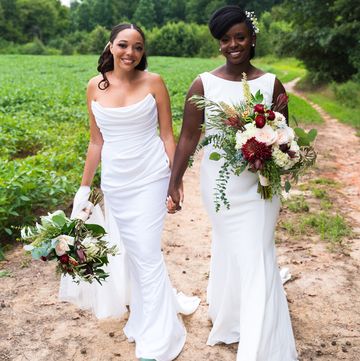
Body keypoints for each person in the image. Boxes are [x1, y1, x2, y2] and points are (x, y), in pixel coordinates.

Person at [59, 23, 199, 361]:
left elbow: (168, 136)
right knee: (134, 253)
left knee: (147, 251)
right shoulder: (95, 86)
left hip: (151, 175)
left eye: (137, 47)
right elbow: (96, 142)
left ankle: (158, 335)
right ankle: (147, 310)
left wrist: (174, 181)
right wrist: (84, 187)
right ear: (110, 46)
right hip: (117, 182)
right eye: (123, 45)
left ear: (142, 51)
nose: (130, 53)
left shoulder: (154, 82)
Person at [167, 6, 298, 361]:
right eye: (225, 39)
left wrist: (281, 154)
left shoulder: (271, 83)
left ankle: (259, 348)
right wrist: (174, 181)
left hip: (260, 187)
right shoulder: (203, 84)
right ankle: (231, 319)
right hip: (220, 188)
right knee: (229, 250)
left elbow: (287, 135)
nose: (232, 45)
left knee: (258, 255)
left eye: (239, 37)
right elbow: (187, 138)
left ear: (252, 38)